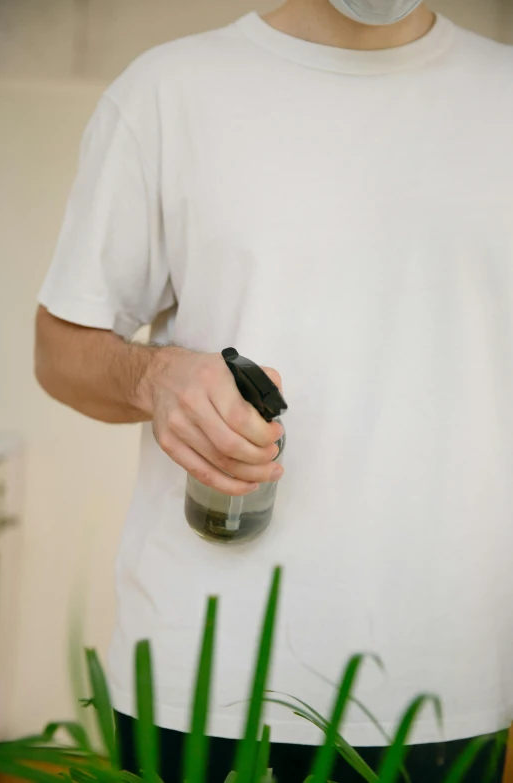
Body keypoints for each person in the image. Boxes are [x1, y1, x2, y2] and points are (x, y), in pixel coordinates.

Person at [35, 0, 513, 780]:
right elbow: (57, 351)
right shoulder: (169, 92)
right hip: (206, 689)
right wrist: (155, 377)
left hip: (456, 684)